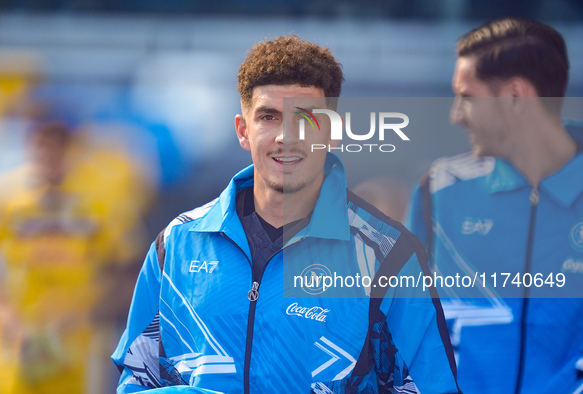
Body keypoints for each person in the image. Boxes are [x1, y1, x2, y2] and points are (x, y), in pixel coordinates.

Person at [112, 36, 460, 393]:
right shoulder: (177, 244)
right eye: (268, 117)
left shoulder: (390, 257)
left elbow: (431, 387)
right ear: (243, 131)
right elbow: (137, 380)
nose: (285, 137)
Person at [405, 18, 583, 393]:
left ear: (516, 96)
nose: (455, 115)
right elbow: (404, 331)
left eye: (467, 97)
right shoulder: (438, 192)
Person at [0, 119, 147, 393]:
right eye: (42, 143)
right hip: (17, 343)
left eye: (59, 144)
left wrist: (88, 315)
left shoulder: (102, 198)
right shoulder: (8, 194)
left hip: (79, 347)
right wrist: (5, 315)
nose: (49, 154)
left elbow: (133, 272)